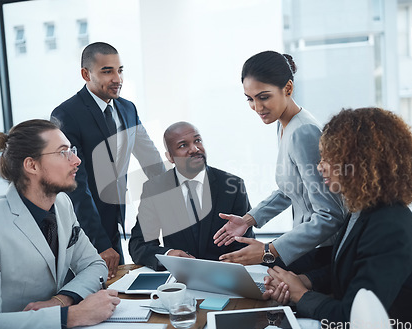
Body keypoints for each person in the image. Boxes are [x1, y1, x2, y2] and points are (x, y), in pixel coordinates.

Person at [263, 107, 412, 329]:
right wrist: (305, 281)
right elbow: (345, 268)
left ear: (358, 163)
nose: (319, 166)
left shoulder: (389, 227)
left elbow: (353, 319)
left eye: (327, 158)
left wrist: (301, 295)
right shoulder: (363, 210)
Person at [0, 120, 120, 329]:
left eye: (72, 151)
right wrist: (72, 315)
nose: (76, 160)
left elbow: (94, 265)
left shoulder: (62, 205)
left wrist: (62, 300)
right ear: (31, 165)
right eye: (63, 152)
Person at [214, 51, 346, 271]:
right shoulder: (284, 124)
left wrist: (269, 250)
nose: (257, 107)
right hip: (304, 246)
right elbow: (292, 188)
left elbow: (330, 214)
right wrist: (248, 220)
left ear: (288, 88)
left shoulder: (303, 132)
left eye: (263, 97)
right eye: (250, 99)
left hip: (320, 251)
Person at [51, 42, 166, 277]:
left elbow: (151, 159)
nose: (117, 78)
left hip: (116, 220)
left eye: (120, 70)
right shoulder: (66, 115)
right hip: (84, 230)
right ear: (86, 74)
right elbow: (76, 185)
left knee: (119, 292)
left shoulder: (127, 109)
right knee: (91, 295)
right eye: (107, 71)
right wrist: (100, 243)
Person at [129, 122, 255, 270]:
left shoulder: (233, 185)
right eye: (183, 145)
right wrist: (168, 255)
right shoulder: (155, 189)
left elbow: (245, 242)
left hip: (225, 275)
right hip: (178, 279)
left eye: (197, 141)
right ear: (170, 157)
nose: (194, 149)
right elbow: (139, 244)